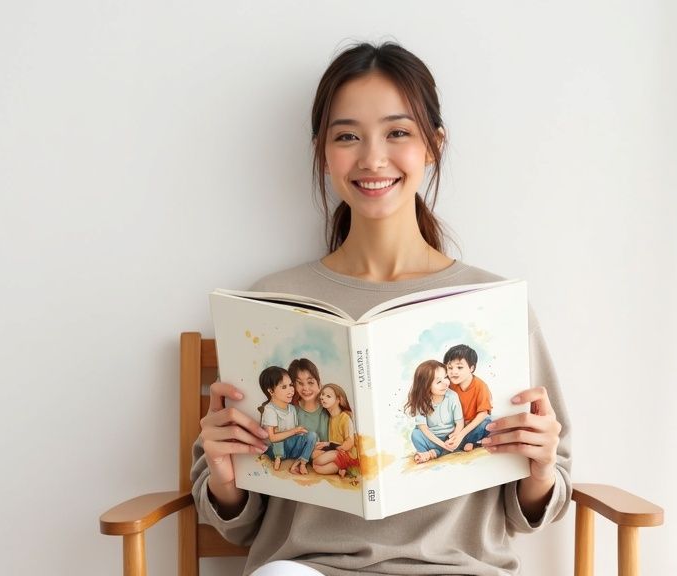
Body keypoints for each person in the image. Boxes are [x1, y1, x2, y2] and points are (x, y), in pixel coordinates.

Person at [192, 41, 571, 575]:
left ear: (433, 145)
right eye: (347, 136)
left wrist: (539, 471)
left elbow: (535, 505)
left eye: (398, 132)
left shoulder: (494, 307)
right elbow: (238, 520)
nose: (372, 158)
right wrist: (226, 479)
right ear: (324, 152)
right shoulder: (272, 305)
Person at [257, 366, 317, 475]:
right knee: (278, 436)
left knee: (312, 435)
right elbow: (272, 438)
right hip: (275, 450)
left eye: (291, 385)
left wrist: (301, 434)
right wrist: (294, 431)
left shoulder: (292, 409)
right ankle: (278, 459)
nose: (291, 390)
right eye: (284, 387)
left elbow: (295, 436)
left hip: (290, 448)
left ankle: (302, 463)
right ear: (271, 391)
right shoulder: (270, 409)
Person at [404, 360, 463, 464]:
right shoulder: (422, 401)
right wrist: (443, 445)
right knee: (415, 434)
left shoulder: (452, 396)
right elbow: (424, 430)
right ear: (426, 386)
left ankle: (436, 452)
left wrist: (455, 437)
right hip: (432, 439)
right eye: (439, 382)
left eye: (445, 377)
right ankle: (434, 451)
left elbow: (459, 422)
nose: (445, 383)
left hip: (450, 436)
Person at [443, 343, 494, 452]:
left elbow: (483, 413)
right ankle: (465, 442)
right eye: (450, 367)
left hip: (474, 423)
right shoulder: (449, 385)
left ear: (471, 368)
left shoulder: (481, 386)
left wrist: (461, 434)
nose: (454, 372)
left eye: (459, 367)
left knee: (486, 424)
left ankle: (470, 441)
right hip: (457, 424)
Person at [310, 383, 359, 477]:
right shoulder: (330, 418)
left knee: (317, 462)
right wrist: (326, 445)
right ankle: (341, 467)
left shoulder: (345, 418)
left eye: (328, 396)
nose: (323, 398)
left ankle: (345, 464)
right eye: (322, 395)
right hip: (335, 451)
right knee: (315, 460)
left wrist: (332, 446)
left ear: (338, 400)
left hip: (345, 453)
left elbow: (350, 442)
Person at [288, 358, 330, 456]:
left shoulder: (329, 408)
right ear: (293, 385)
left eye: (310, 382)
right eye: (300, 383)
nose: (306, 388)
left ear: (318, 383)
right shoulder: (291, 411)